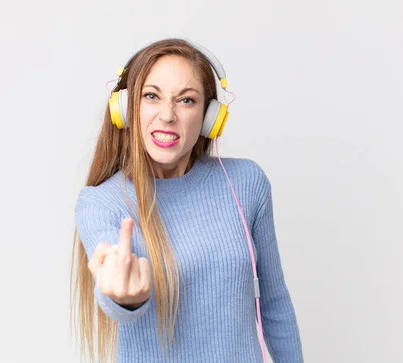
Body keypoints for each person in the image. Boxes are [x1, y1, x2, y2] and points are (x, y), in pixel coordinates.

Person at [71, 38, 303, 362]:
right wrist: (124, 295)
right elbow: (115, 288)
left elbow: (274, 304)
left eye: (186, 100)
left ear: (210, 117)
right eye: (151, 96)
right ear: (126, 109)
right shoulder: (100, 203)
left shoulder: (246, 183)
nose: (167, 115)